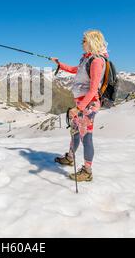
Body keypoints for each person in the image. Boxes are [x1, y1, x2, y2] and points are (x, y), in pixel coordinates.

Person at [51, 30, 108, 182]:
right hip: (82, 103)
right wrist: (59, 64)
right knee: (75, 132)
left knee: (86, 137)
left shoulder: (96, 61)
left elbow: (93, 89)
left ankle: (87, 171)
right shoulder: (87, 60)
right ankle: (70, 158)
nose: (81, 43)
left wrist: (78, 108)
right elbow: (74, 70)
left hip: (88, 104)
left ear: (92, 41)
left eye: (84, 40)